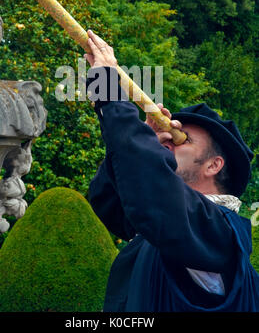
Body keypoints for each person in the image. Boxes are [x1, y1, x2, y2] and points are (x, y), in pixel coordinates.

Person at [84, 29, 259, 312]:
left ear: (214, 165)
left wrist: (109, 93)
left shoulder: (220, 230)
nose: (169, 145)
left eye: (182, 140)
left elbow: (155, 193)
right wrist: (146, 141)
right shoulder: (166, 221)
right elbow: (109, 201)